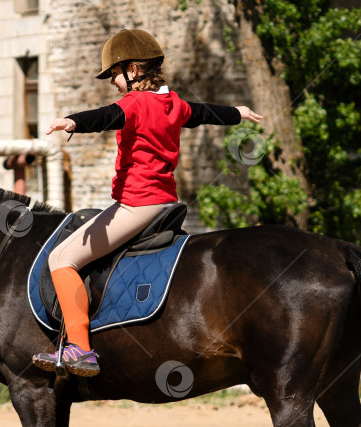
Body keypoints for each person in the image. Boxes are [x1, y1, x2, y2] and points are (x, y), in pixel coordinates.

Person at [32, 29, 263, 377]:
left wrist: (73, 122)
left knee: (61, 259)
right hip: (163, 201)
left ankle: (81, 349)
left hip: (136, 204)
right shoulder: (173, 103)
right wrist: (236, 112)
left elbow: (106, 116)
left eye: (114, 73)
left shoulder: (135, 103)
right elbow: (202, 113)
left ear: (135, 70)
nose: (112, 82)